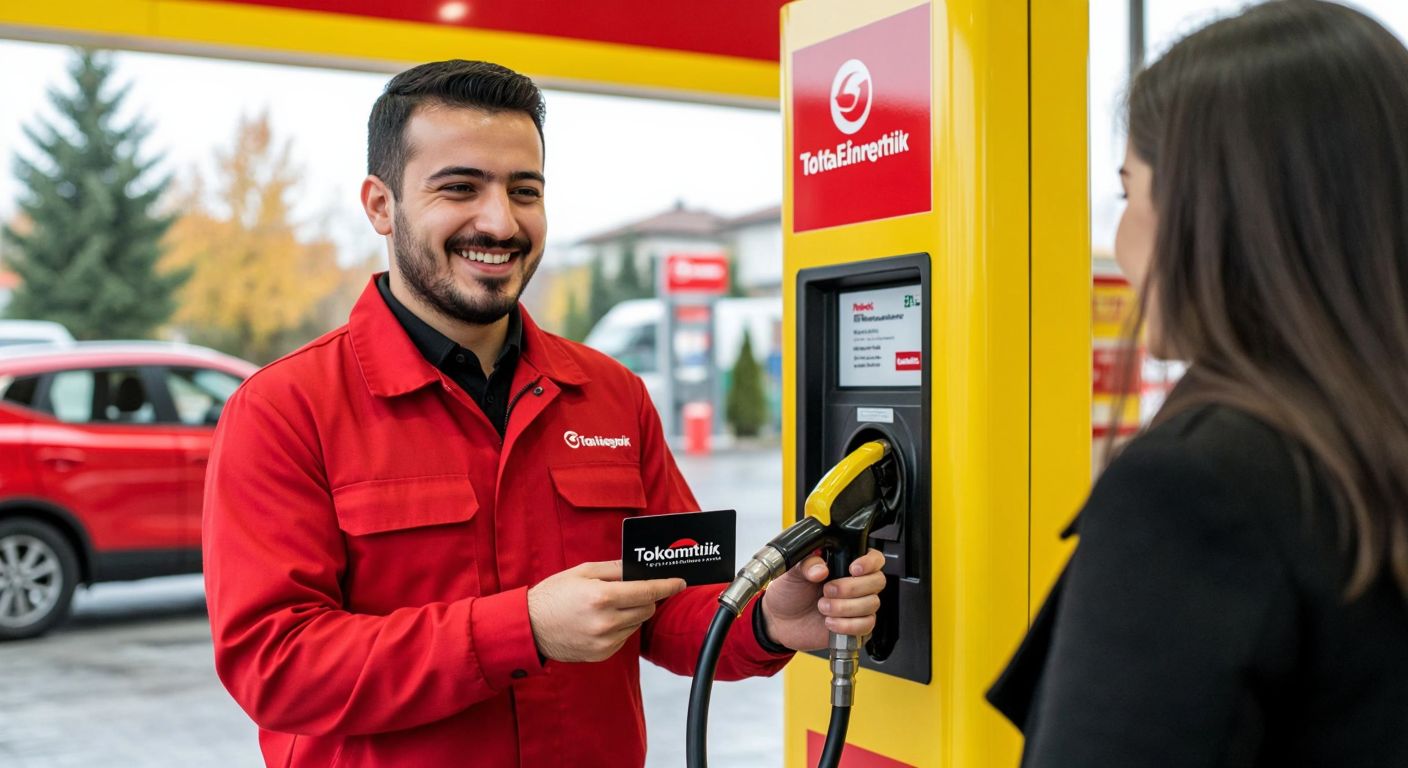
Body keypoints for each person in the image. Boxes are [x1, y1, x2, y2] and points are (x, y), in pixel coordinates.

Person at [202, 60, 887, 768]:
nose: (499, 221)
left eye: (523, 191)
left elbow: (673, 605)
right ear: (381, 205)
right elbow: (276, 666)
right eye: (460, 187)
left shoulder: (610, 394)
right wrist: (520, 628)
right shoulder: (285, 410)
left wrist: (770, 621)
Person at [988, 1, 1408, 765]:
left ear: (1210, 211)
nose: (1119, 243)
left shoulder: (1197, 490)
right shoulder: (1368, 435)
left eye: (1127, 193)